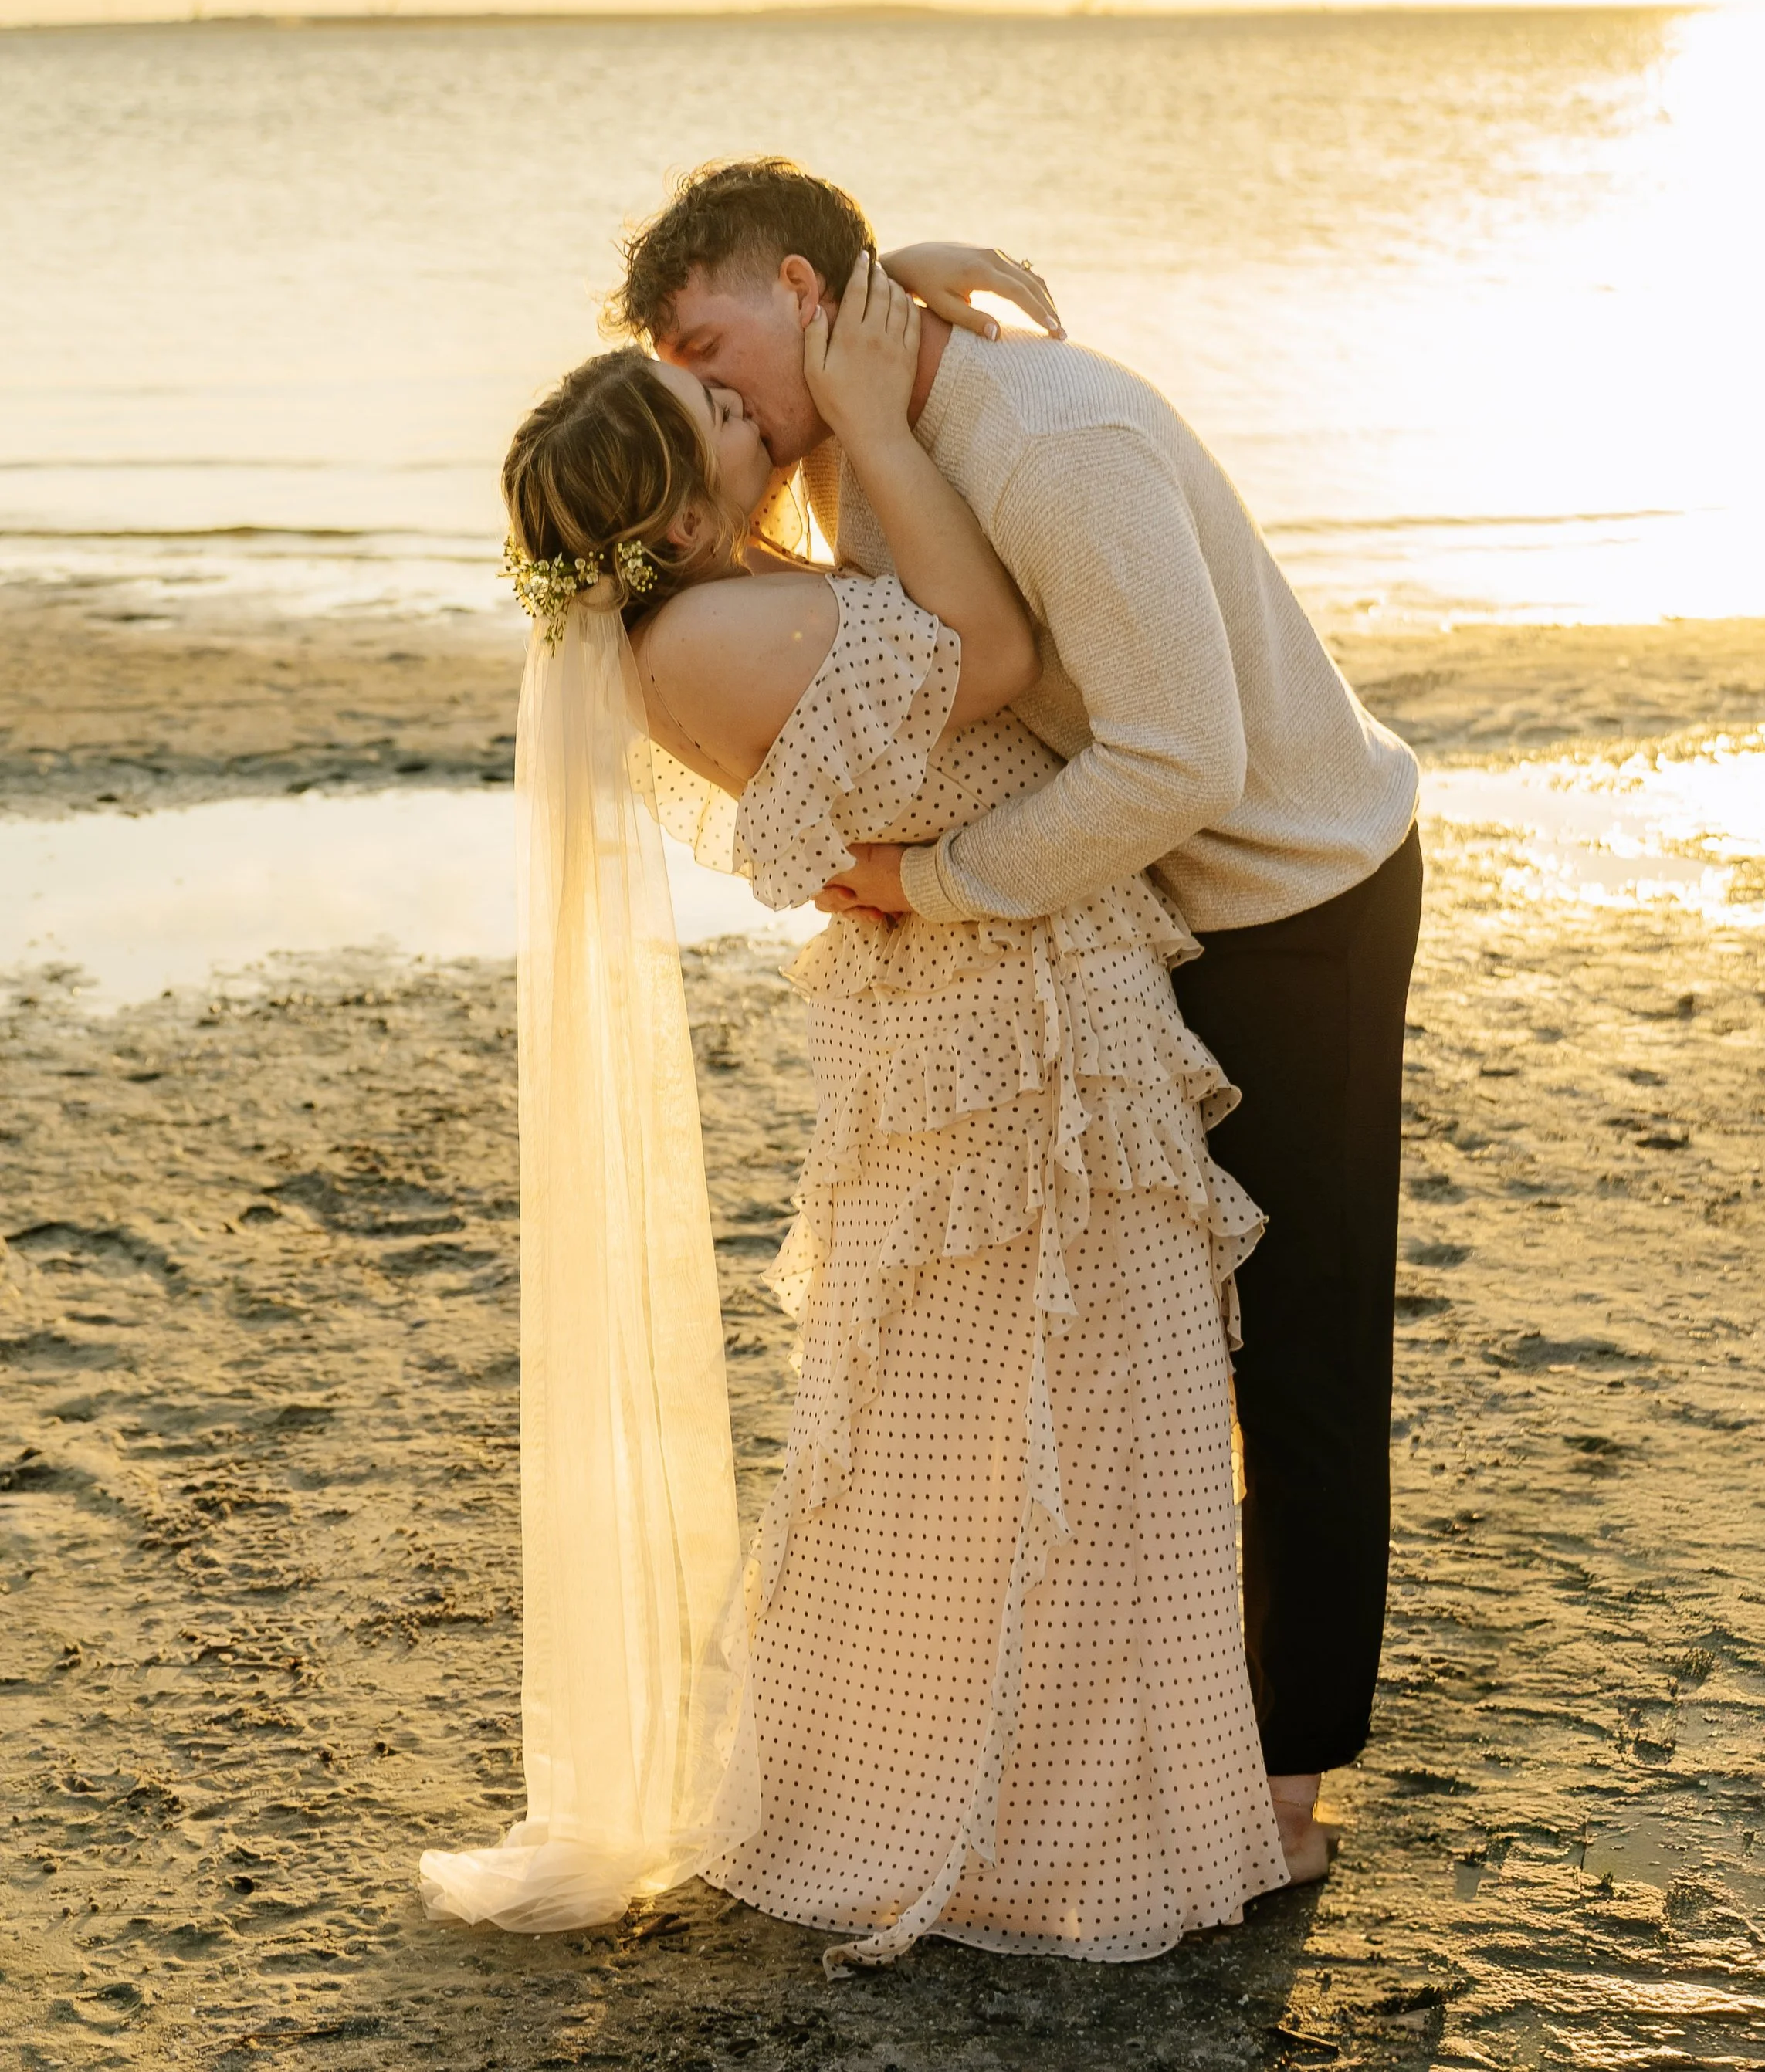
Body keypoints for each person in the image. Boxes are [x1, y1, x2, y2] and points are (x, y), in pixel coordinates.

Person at [425, 251, 1285, 1962]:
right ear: (667, 515)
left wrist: (883, 285)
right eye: (720, 417)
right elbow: (990, 646)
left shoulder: (715, 601)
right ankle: (1024, 1829)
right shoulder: (722, 624)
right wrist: (884, 425)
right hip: (1005, 1028)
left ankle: (1041, 1789)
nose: (757, 417)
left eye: (723, 382)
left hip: (986, 1005)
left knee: (1000, 1427)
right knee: (1056, 1418)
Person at [617, 160, 1425, 1885]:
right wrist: (880, 282)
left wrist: (936, 884)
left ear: (796, 294)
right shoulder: (842, 437)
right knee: (1155, 1328)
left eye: (706, 343)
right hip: (1136, 903)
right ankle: (1155, 1724)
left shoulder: (1053, 442)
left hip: (1292, 892)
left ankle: (1288, 1777)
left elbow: (1175, 761)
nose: (705, 393)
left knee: (1297, 1339)